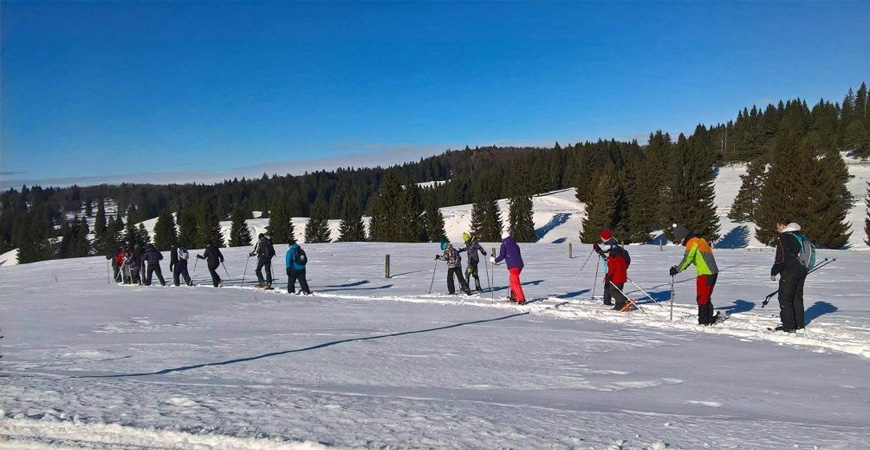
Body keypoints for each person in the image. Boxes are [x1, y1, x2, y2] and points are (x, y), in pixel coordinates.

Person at [669, 225, 720, 325]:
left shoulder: (692, 242)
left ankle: (704, 322)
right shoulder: (699, 240)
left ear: (683, 237)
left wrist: (677, 269)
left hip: (706, 273)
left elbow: (688, 258)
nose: (681, 243)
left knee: (702, 298)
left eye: (680, 240)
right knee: (705, 296)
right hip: (711, 272)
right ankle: (708, 319)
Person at [770, 221, 810, 332]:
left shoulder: (785, 237)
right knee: (797, 298)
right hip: (802, 270)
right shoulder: (800, 236)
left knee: (785, 298)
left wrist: (774, 271)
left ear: (783, 226)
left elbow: (781, 257)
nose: (778, 229)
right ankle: (799, 324)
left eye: (778, 226)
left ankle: (788, 326)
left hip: (789, 271)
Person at [593, 229, 631, 311]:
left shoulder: (611, 248)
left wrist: (598, 250)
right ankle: (618, 304)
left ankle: (615, 302)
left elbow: (608, 258)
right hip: (620, 271)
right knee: (616, 289)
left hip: (613, 272)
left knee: (611, 289)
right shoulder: (615, 245)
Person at [492, 231, 525, 304]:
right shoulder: (515, 244)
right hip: (520, 265)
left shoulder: (504, 245)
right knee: (513, 281)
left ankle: (521, 299)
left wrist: (495, 260)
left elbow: (502, 255)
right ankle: (514, 296)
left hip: (513, 266)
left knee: (515, 282)